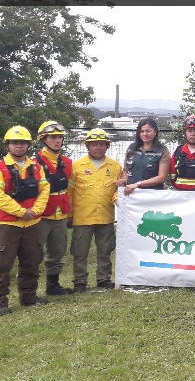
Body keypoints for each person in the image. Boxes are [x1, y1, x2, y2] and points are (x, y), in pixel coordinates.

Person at [0, 126, 50, 315]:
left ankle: (29, 298)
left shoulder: (36, 166)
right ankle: (1, 302)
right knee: (2, 264)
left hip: (32, 223)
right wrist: (21, 212)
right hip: (7, 224)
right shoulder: (1, 167)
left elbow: (44, 189)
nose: (18, 146)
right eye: (14, 142)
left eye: (22, 143)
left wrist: (36, 211)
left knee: (31, 261)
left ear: (28, 145)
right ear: (8, 145)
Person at [69, 128, 122, 291]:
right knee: (80, 252)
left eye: (101, 144)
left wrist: (117, 197)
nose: (98, 147)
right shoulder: (76, 167)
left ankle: (104, 279)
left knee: (105, 251)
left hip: (105, 217)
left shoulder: (115, 166)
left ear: (107, 146)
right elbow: (70, 192)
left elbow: (117, 191)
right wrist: (69, 214)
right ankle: (80, 281)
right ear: (87, 146)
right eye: (94, 144)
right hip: (82, 217)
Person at [33, 121, 74, 295]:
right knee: (33, 253)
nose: (57, 141)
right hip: (41, 214)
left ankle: (53, 285)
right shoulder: (34, 163)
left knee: (57, 250)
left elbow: (71, 188)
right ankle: (29, 290)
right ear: (44, 139)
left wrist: (70, 212)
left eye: (60, 137)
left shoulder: (67, 162)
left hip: (61, 213)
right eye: (53, 137)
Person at [119, 117, 170, 195]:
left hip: (152, 196)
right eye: (142, 131)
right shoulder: (131, 148)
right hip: (131, 194)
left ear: (155, 132)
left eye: (148, 131)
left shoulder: (162, 151)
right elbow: (126, 170)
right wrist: (123, 180)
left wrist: (138, 184)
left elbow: (162, 177)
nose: (145, 134)